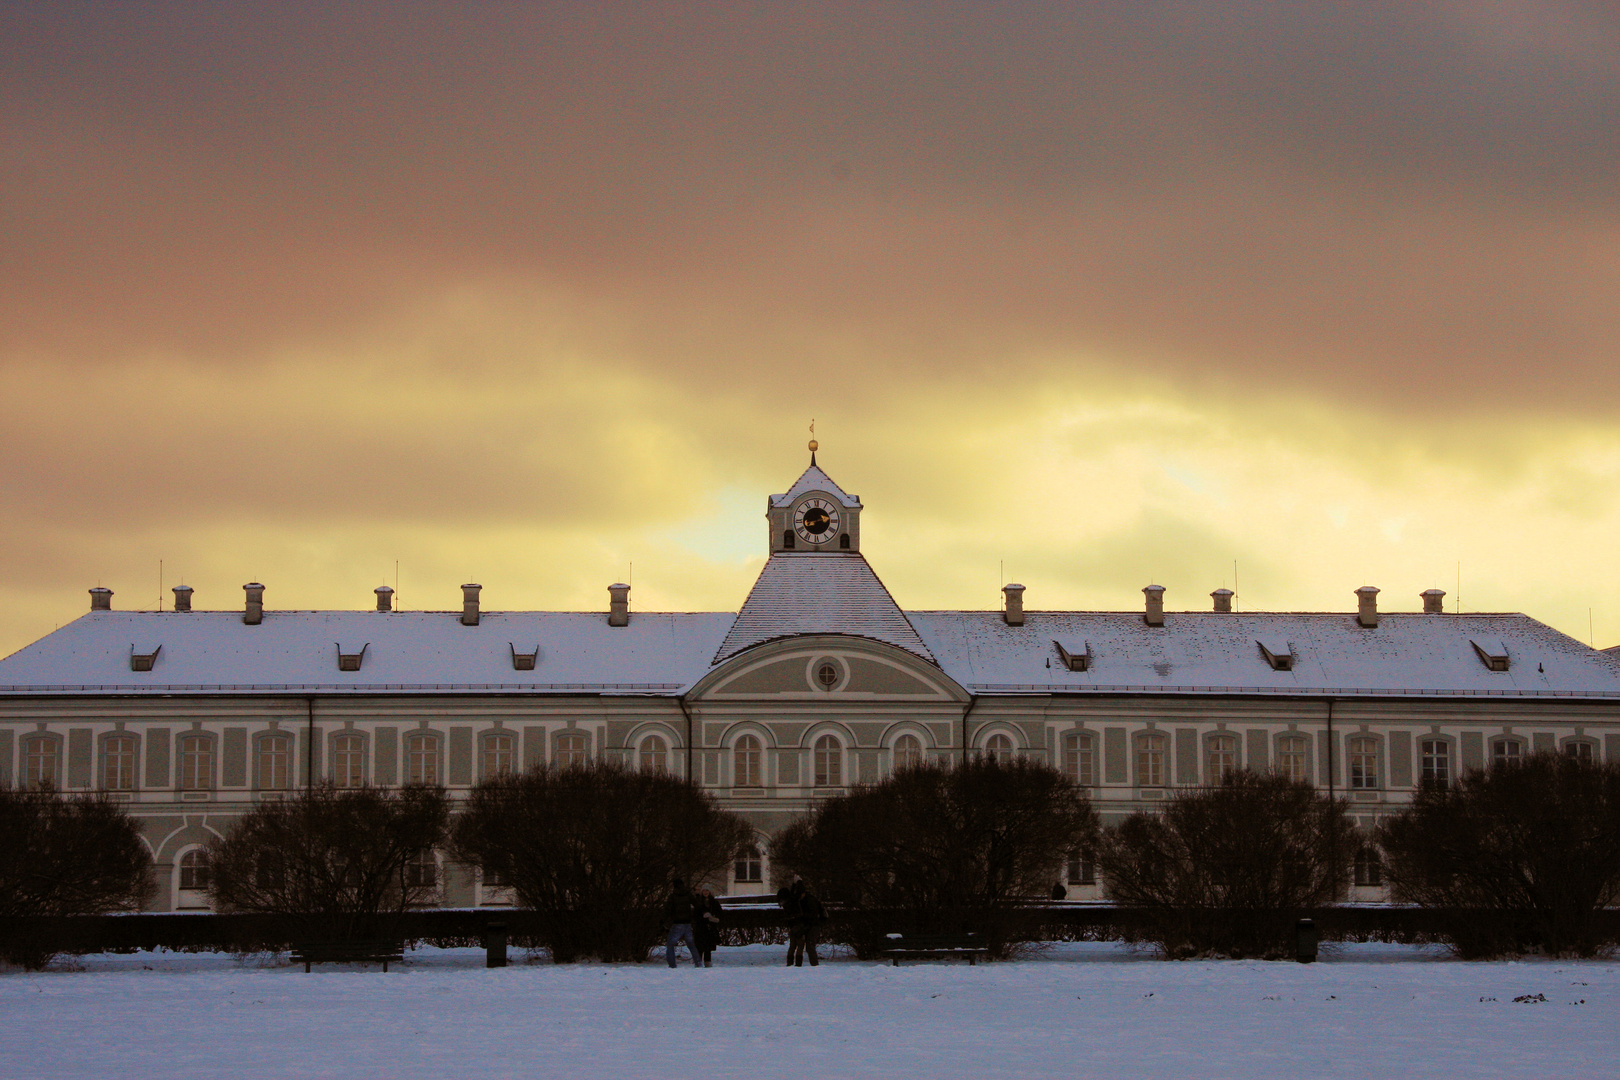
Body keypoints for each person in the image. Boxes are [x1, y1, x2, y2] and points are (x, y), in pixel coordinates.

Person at [785, 878, 824, 967]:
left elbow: (812, 916)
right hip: (808, 924)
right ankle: (813, 964)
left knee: (810, 945)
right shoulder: (802, 899)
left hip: (813, 924)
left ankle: (815, 965)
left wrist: (802, 923)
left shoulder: (810, 901)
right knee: (807, 946)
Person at [664, 877, 699, 968]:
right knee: (691, 944)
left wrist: (665, 921)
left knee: (670, 944)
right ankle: (698, 963)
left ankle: (672, 965)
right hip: (687, 922)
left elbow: (667, 910)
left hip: (677, 923)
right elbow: (697, 904)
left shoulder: (673, 896)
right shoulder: (688, 894)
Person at [693, 885, 723, 967]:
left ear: (710, 892)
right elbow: (695, 915)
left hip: (710, 928)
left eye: (707, 890)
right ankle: (698, 962)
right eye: (704, 891)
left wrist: (714, 918)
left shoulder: (714, 902)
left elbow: (720, 913)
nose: (705, 892)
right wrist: (703, 917)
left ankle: (707, 962)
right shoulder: (698, 902)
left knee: (708, 947)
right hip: (700, 927)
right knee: (699, 946)